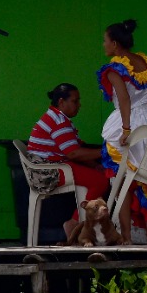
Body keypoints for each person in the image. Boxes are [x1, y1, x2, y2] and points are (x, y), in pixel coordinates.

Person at [96, 19, 147, 244]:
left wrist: (126, 129)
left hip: (130, 124)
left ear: (114, 43)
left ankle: (126, 238)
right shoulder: (146, 61)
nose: (103, 45)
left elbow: (124, 100)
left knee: (122, 180)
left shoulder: (115, 67)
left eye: (105, 41)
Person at [27, 83, 109, 241]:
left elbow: (74, 149)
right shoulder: (58, 121)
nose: (79, 105)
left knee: (97, 174)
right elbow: (73, 153)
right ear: (61, 102)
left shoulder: (56, 117)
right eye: (75, 101)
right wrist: (107, 152)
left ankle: (83, 224)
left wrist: (95, 164)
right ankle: (74, 223)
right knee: (100, 181)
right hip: (47, 172)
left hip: (52, 165)